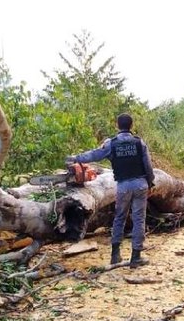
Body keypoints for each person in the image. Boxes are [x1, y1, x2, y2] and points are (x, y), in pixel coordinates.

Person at [66, 113, 155, 268]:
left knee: (119, 217)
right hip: (140, 183)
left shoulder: (111, 144)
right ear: (131, 125)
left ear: (117, 125)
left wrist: (76, 158)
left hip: (123, 186)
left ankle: (115, 255)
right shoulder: (139, 142)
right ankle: (136, 257)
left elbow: (95, 154)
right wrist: (150, 182)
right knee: (139, 219)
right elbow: (148, 165)